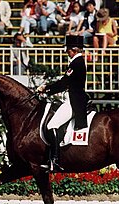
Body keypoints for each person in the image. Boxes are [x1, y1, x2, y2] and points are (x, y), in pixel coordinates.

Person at [36, 35, 88, 172]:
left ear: (73, 50)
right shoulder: (77, 62)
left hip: (73, 101)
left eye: (68, 50)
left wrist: (46, 89)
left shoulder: (76, 63)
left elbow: (64, 83)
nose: (66, 52)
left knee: (51, 125)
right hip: (70, 98)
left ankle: (55, 160)